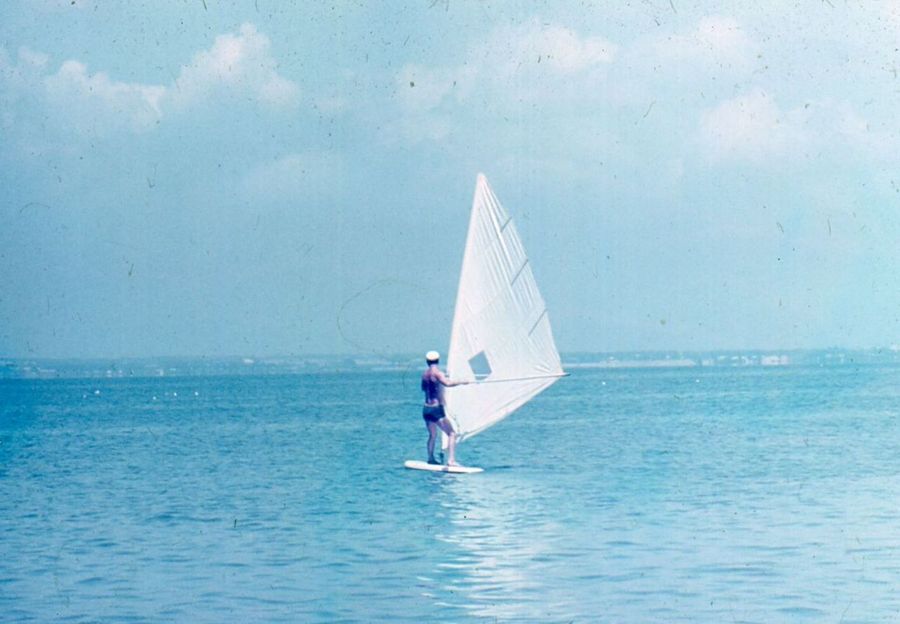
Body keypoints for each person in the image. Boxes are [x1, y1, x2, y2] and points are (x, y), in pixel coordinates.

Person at [421, 350, 467, 465]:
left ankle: (430, 458)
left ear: (427, 361)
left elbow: (424, 388)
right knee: (452, 433)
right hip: (436, 409)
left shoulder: (424, 375)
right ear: (438, 360)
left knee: (432, 434)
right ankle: (451, 460)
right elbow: (447, 383)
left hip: (426, 409)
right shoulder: (438, 373)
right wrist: (462, 381)